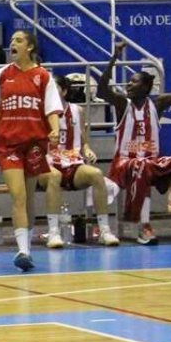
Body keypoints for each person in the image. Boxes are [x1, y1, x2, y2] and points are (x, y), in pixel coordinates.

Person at [0, 30, 66, 272]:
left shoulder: (43, 77)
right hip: (9, 144)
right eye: (12, 40)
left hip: (34, 143)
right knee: (18, 195)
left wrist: (54, 131)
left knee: (29, 197)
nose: (13, 43)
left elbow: (52, 110)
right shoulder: (1, 75)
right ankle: (22, 250)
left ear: (30, 47)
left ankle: (28, 244)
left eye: (19, 40)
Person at [97, 41, 171, 245]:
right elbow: (102, 90)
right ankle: (143, 226)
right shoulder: (123, 104)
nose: (128, 85)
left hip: (149, 161)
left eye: (134, 82)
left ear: (146, 87)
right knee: (142, 165)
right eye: (128, 82)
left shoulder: (158, 104)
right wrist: (114, 57)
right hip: (123, 164)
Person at [51, 73, 121, 247]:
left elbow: (83, 138)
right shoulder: (42, 112)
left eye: (55, 88)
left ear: (64, 91)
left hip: (72, 162)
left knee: (96, 174)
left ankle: (104, 230)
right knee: (54, 177)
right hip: (49, 163)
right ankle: (54, 232)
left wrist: (88, 149)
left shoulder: (77, 111)